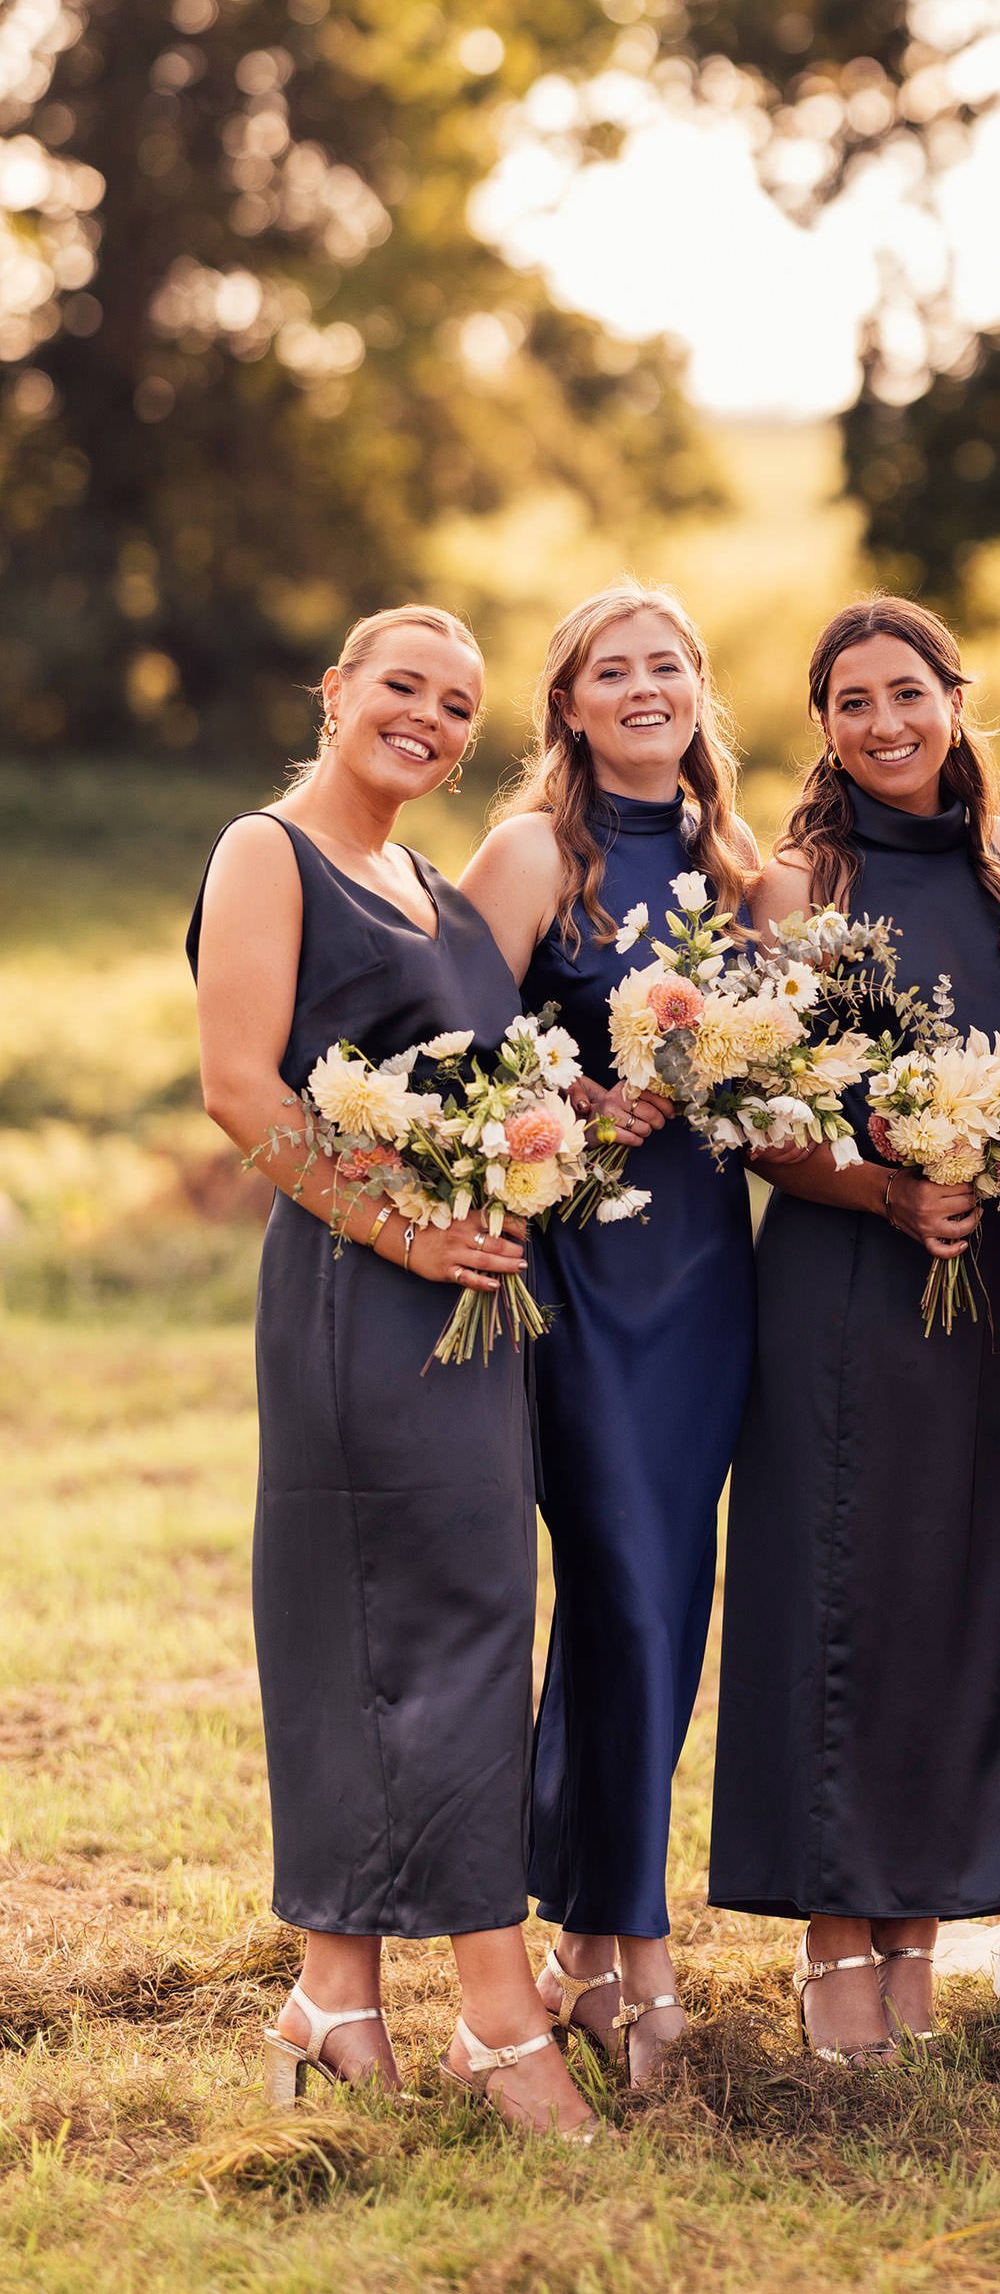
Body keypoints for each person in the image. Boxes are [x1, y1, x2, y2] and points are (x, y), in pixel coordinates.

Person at [188, 604, 593, 2138]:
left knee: (453, 1617)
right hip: (359, 1299)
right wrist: (405, 1236)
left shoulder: (427, 886)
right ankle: (496, 2015)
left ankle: (334, 1994)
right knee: (406, 1623)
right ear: (339, 690)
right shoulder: (265, 851)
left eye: (457, 704)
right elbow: (241, 1087)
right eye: (401, 687)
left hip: (468, 1308)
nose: (426, 717)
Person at [706, 597, 1000, 2058]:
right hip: (844, 1277)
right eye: (852, 703)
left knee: (956, 1592)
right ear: (825, 728)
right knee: (832, 1589)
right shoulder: (793, 890)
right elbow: (750, 1114)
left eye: (907, 693)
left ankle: (921, 1926)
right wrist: (887, 1189)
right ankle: (834, 1945)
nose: (885, 723)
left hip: (993, 1292)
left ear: (955, 701)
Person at [461, 582, 760, 2087]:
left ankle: (585, 1941)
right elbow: (448, 1042)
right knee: (628, 1592)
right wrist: (570, 1100)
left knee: (656, 1607)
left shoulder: (735, 861)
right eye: (612, 671)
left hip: (711, 1278)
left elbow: (780, 1064)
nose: (645, 689)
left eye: (667, 666)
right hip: (583, 1275)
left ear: (700, 690)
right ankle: (639, 1960)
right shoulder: (530, 854)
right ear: (568, 707)